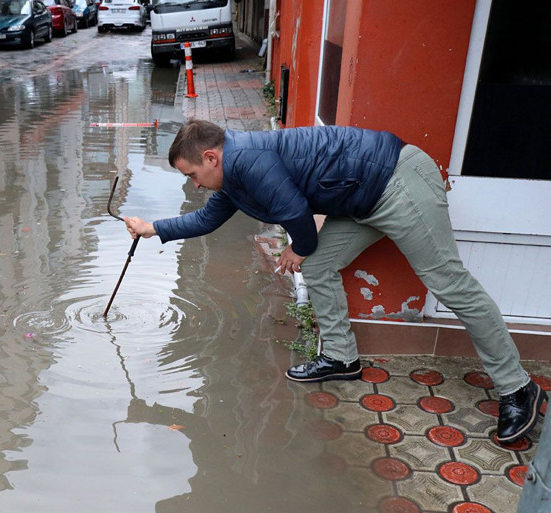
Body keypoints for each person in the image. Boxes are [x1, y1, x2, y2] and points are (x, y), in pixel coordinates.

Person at [123, 119, 546, 443]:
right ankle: (342, 358)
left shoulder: (248, 160)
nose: (194, 185)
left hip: (398, 182)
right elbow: (207, 219)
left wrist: (297, 248)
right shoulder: (232, 174)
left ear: (211, 157)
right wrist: (152, 228)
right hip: (361, 199)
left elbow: (297, 218)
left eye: (192, 175)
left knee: (450, 284)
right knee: (320, 264)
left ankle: (517, 387)